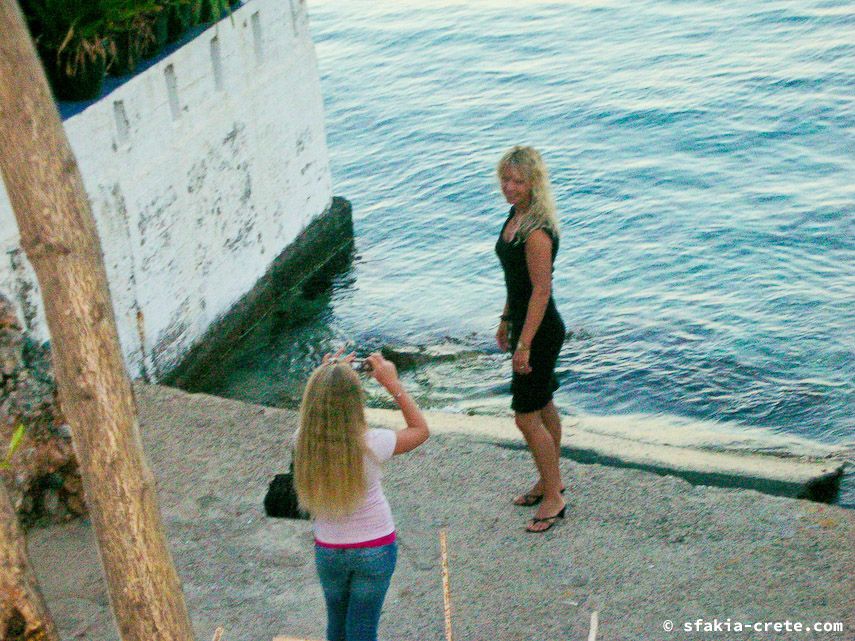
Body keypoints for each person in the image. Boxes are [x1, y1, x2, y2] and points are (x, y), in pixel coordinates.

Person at [294, 349, 429, 641]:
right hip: (375, 545)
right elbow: (420, 430)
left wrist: (329, 374)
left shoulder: (302, 439)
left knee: (337, 625)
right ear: (355, 402)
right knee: (363, 629)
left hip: (328, 547)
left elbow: (320, 405)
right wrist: (392, 384)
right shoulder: (373, 442)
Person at [494, 145, 567, 533]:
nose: (509, 187)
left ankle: (555, 496)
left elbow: (540, 290)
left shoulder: (536, 230)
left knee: (525, 415)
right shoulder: (515, 216)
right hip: (525, 324)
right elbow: (516, 282)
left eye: (518, 181)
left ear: (533, 183)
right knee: (543, 406)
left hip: (539, 330)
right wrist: (506, 318)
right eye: (505, 179)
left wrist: (524, 344)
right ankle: (548, 480)